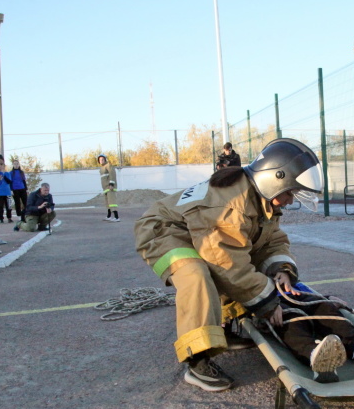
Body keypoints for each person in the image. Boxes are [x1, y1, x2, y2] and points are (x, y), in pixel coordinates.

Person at [135, 138, 324, 392]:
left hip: (198, 230)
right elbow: (226, 263)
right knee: (196, 274)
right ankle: (197, 359)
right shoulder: (231, 204)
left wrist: (281, 269)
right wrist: (268, 303)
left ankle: (225, 329)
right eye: (290, 192)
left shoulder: (260, 197)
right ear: (274, 179)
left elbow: (271, 241)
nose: (290, 201)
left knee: (239, 259)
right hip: (163, 230)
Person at [272, 290, 354, 383]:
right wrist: (266, 306)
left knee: (323, 306)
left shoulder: (281, 266)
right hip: (267, 299)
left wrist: (326, 298)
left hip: (295, 294)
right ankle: (316, 357)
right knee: (290, 319)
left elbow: (301, 287)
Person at [97, 154, 119, 222]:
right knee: (108, 203)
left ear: (105, 159)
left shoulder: (108, 165)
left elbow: (112, 175)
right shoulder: (102, 168)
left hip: (110, 187)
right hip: (105, 188)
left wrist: (111, 184)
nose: (101, 161)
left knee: (112, 202)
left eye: (102, 159)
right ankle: (109, 216)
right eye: (100, 160)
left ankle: (117, 217)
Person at [10, 159, 28, 224]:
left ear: (19, 164)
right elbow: (10, 182)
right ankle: (19, 216)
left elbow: (24, 180)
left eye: (17, 164)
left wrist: (26, 189)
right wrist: (11, 190)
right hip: (15, 189)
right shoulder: (11, 173)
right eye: (15, 164)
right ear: (13, 165)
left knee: (25, 202)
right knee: (17, 203)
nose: (16, 165)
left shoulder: (21, 172)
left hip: (22, 188)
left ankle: (26, 214)